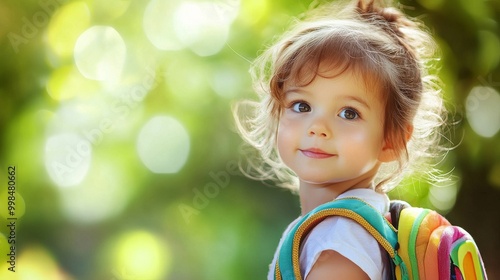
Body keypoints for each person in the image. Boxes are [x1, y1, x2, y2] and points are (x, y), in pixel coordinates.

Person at [234, 0, 447, 279]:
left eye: (349, 113)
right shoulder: (360, 223)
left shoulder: (341, 241)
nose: (318, 127)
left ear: (391, 139)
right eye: (301, 106)